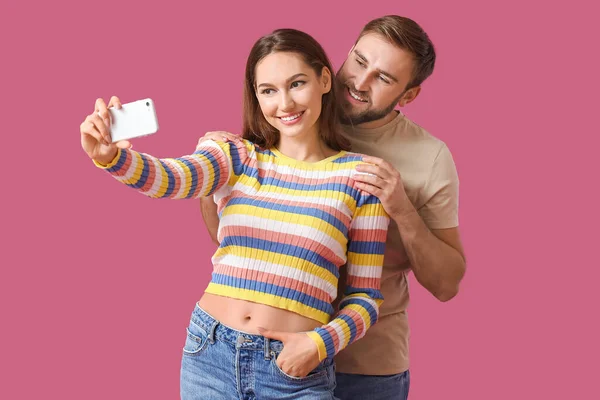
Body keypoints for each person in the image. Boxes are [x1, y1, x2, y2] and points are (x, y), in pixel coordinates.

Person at [79, 28, 389, 399]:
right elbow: (171, 179)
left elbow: (365, 297)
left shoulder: (361, 177)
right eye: (268, 90)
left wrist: (320, 344)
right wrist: (111, 158)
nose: (285, 104)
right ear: (256, 97)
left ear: (324, 79)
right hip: (209, 353)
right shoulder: (235, 155)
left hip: (294, 371)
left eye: (297, 83)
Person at [199, 16, 466, 400]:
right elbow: (224, 240)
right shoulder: (288, 116)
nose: (360, 82)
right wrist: (214, 177)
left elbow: (446, 284)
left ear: (408, 96)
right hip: (260, 353)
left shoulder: (430, 158)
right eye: (359, 61)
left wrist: (402, 209)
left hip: (364, 366)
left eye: (384, 78)